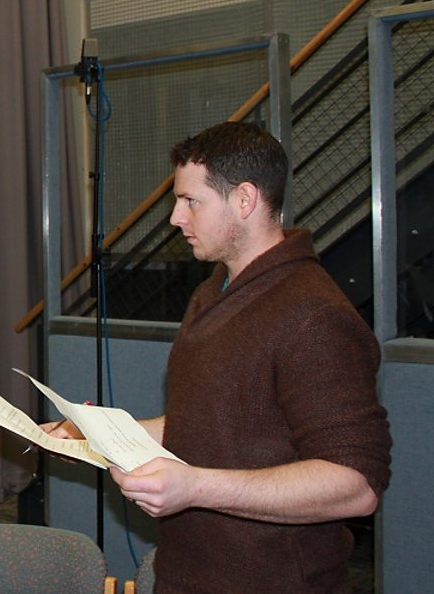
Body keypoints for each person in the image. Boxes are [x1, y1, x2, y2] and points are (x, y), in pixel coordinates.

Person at [45, 122, 391, 592]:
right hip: (188, 572)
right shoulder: (216, 291)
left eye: (191, 201)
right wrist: (97, 435)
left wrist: (196, 487)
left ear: (244, 200)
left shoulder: (314, 315)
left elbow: (356, 485)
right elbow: (210, 423)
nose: (175, 217)